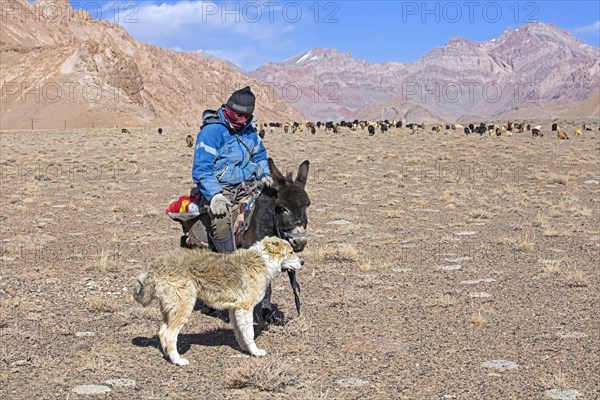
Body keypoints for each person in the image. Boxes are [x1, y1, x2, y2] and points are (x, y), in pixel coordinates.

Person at [191, 86, 273, 253]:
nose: (243, 120)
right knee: (221, 220)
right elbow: (202, 169)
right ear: (228, 109)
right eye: (239, 115)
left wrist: (265, 175)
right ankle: (227, 260)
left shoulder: (249, 132)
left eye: (247, 116)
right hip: (222, 187)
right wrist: (214, 195)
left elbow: (260, 156)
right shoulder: (211, 132)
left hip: (249, 183)